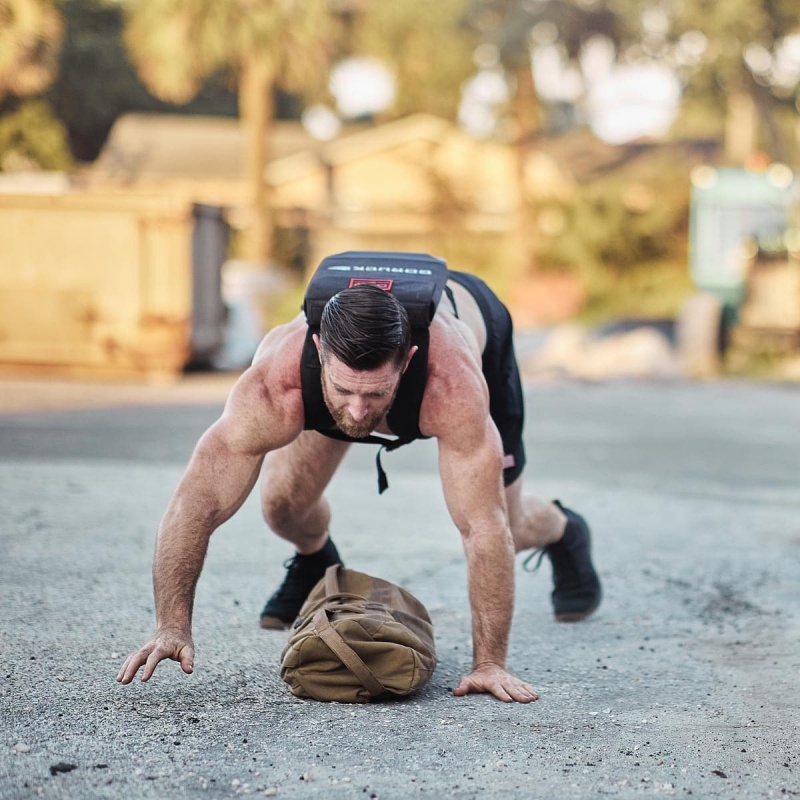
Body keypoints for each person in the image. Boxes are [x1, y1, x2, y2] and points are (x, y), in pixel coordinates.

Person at [116, 253, 601, 704]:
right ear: (321, 351)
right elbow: (194, 505)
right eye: (344, 389)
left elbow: (483, 529)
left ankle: (564, 529)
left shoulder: (449, 385)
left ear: (407, 361)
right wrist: (171, 627)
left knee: (509, 525)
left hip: (477, 326)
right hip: (343, 368)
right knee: (282, 506)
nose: (357, 410)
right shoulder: (274, 384)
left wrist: (489, 664)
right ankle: (315, 561)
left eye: (375, 394)